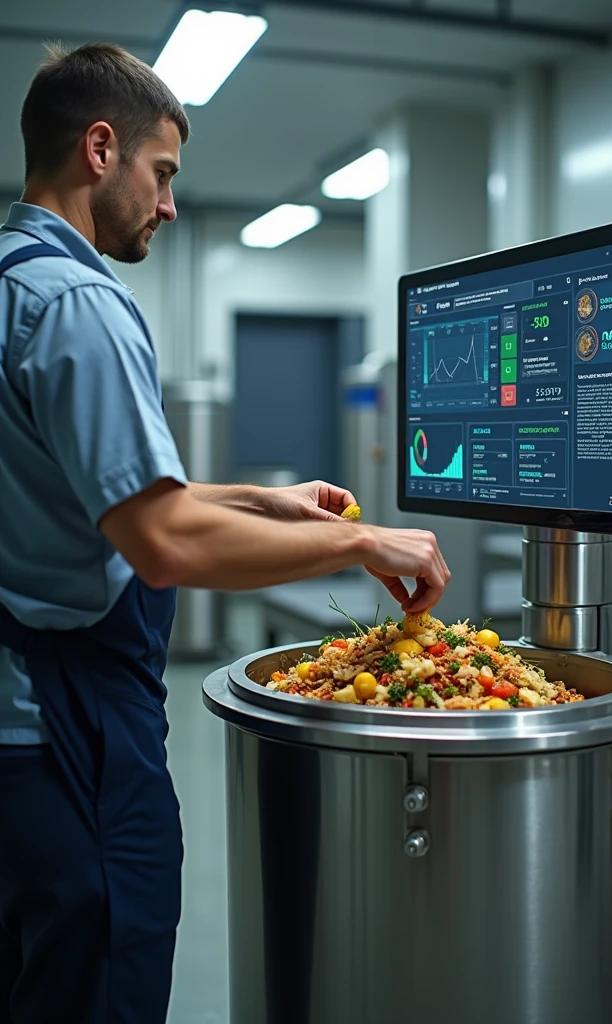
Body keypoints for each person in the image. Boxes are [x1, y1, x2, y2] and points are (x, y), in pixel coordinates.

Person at [0, 42, 450, 1024]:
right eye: (161, 175)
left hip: (19, 725)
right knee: (96, 984)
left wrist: (264, 501)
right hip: (69, 731)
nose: (166, 203)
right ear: (101, 148)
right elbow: (162, 543)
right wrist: (365, 545)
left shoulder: (11, 281)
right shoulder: (80, 303)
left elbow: (107, 497)